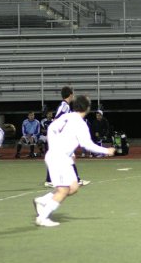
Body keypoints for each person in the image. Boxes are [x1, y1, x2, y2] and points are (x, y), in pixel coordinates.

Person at [33, 95, 116, 227]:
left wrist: (62, 149)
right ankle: (43, 217)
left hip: (62, 157)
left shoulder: (66, 117)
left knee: (73, 187)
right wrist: (107, 151)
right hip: (59, 158)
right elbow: (87, 145)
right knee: (63, 190)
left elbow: (51, 129)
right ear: (88, 108)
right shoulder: (80, 124)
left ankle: (42, 200)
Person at [44, 86, 89, 187]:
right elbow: (57, 119)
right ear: (70, 95)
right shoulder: (65, 106)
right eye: (73, 93)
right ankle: (76, 180)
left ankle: (49, 180)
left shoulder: (65, 105)